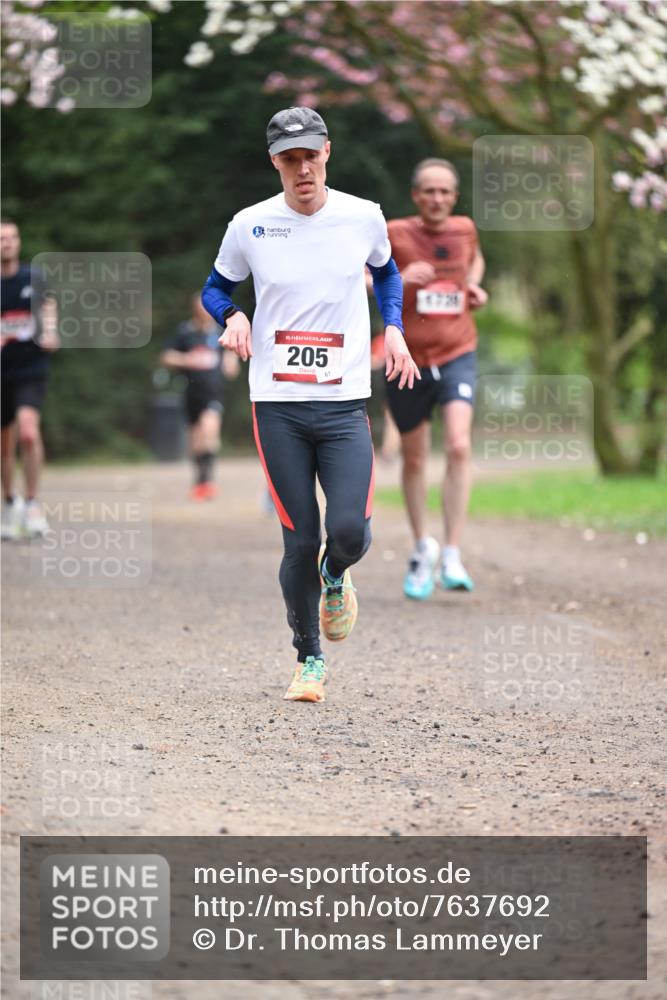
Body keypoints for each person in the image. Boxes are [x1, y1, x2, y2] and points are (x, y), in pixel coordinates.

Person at [202, 106, 419, 703]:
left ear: (328, 152)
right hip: (277, 402)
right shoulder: (250, 225)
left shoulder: (362, 216)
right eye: (290, 159)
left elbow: (388, 275)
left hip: (345, 402)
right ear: (275, 161)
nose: (303, 169)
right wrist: (234, 314)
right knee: (299, 538)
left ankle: (335, 576)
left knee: (349, 532)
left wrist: (394, 327)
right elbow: (215, 287)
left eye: (311, 156)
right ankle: (309, 658)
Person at [385, 159, 488, 599]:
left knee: (460, 445)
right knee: (414, 459)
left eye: (445, 191)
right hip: (408, 358)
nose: (437, 198)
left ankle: (451, 551)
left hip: (457, 350)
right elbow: (360, 280)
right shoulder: (393, 232)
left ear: (455, 196)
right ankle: (421, 547)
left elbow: (475, 260)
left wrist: (473, 287)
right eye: (429, 191)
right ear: (415, 195)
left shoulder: (465, 228)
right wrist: (400, 278)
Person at [1, 218, 59, 540]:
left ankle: (33, 502)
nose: (7, 243)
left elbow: (48, 307)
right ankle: (10, 502)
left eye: (12, 237)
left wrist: (50, 331)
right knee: (4, 445)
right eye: (1, 239)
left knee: (27, 432)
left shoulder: (32, 278)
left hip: (30, 369)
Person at [159, 294, 239, 500]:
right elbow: (166, 356)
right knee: (196, 440)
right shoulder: (185, 332)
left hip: (213, 393)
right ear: (194, 309)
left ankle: (208, 482)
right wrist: (188, 359)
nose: (204, 311)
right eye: (200, 307)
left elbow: (231, 365)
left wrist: (231, 363)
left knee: (209, 429)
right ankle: (200, 481)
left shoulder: (221, 333)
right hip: (191, 392)